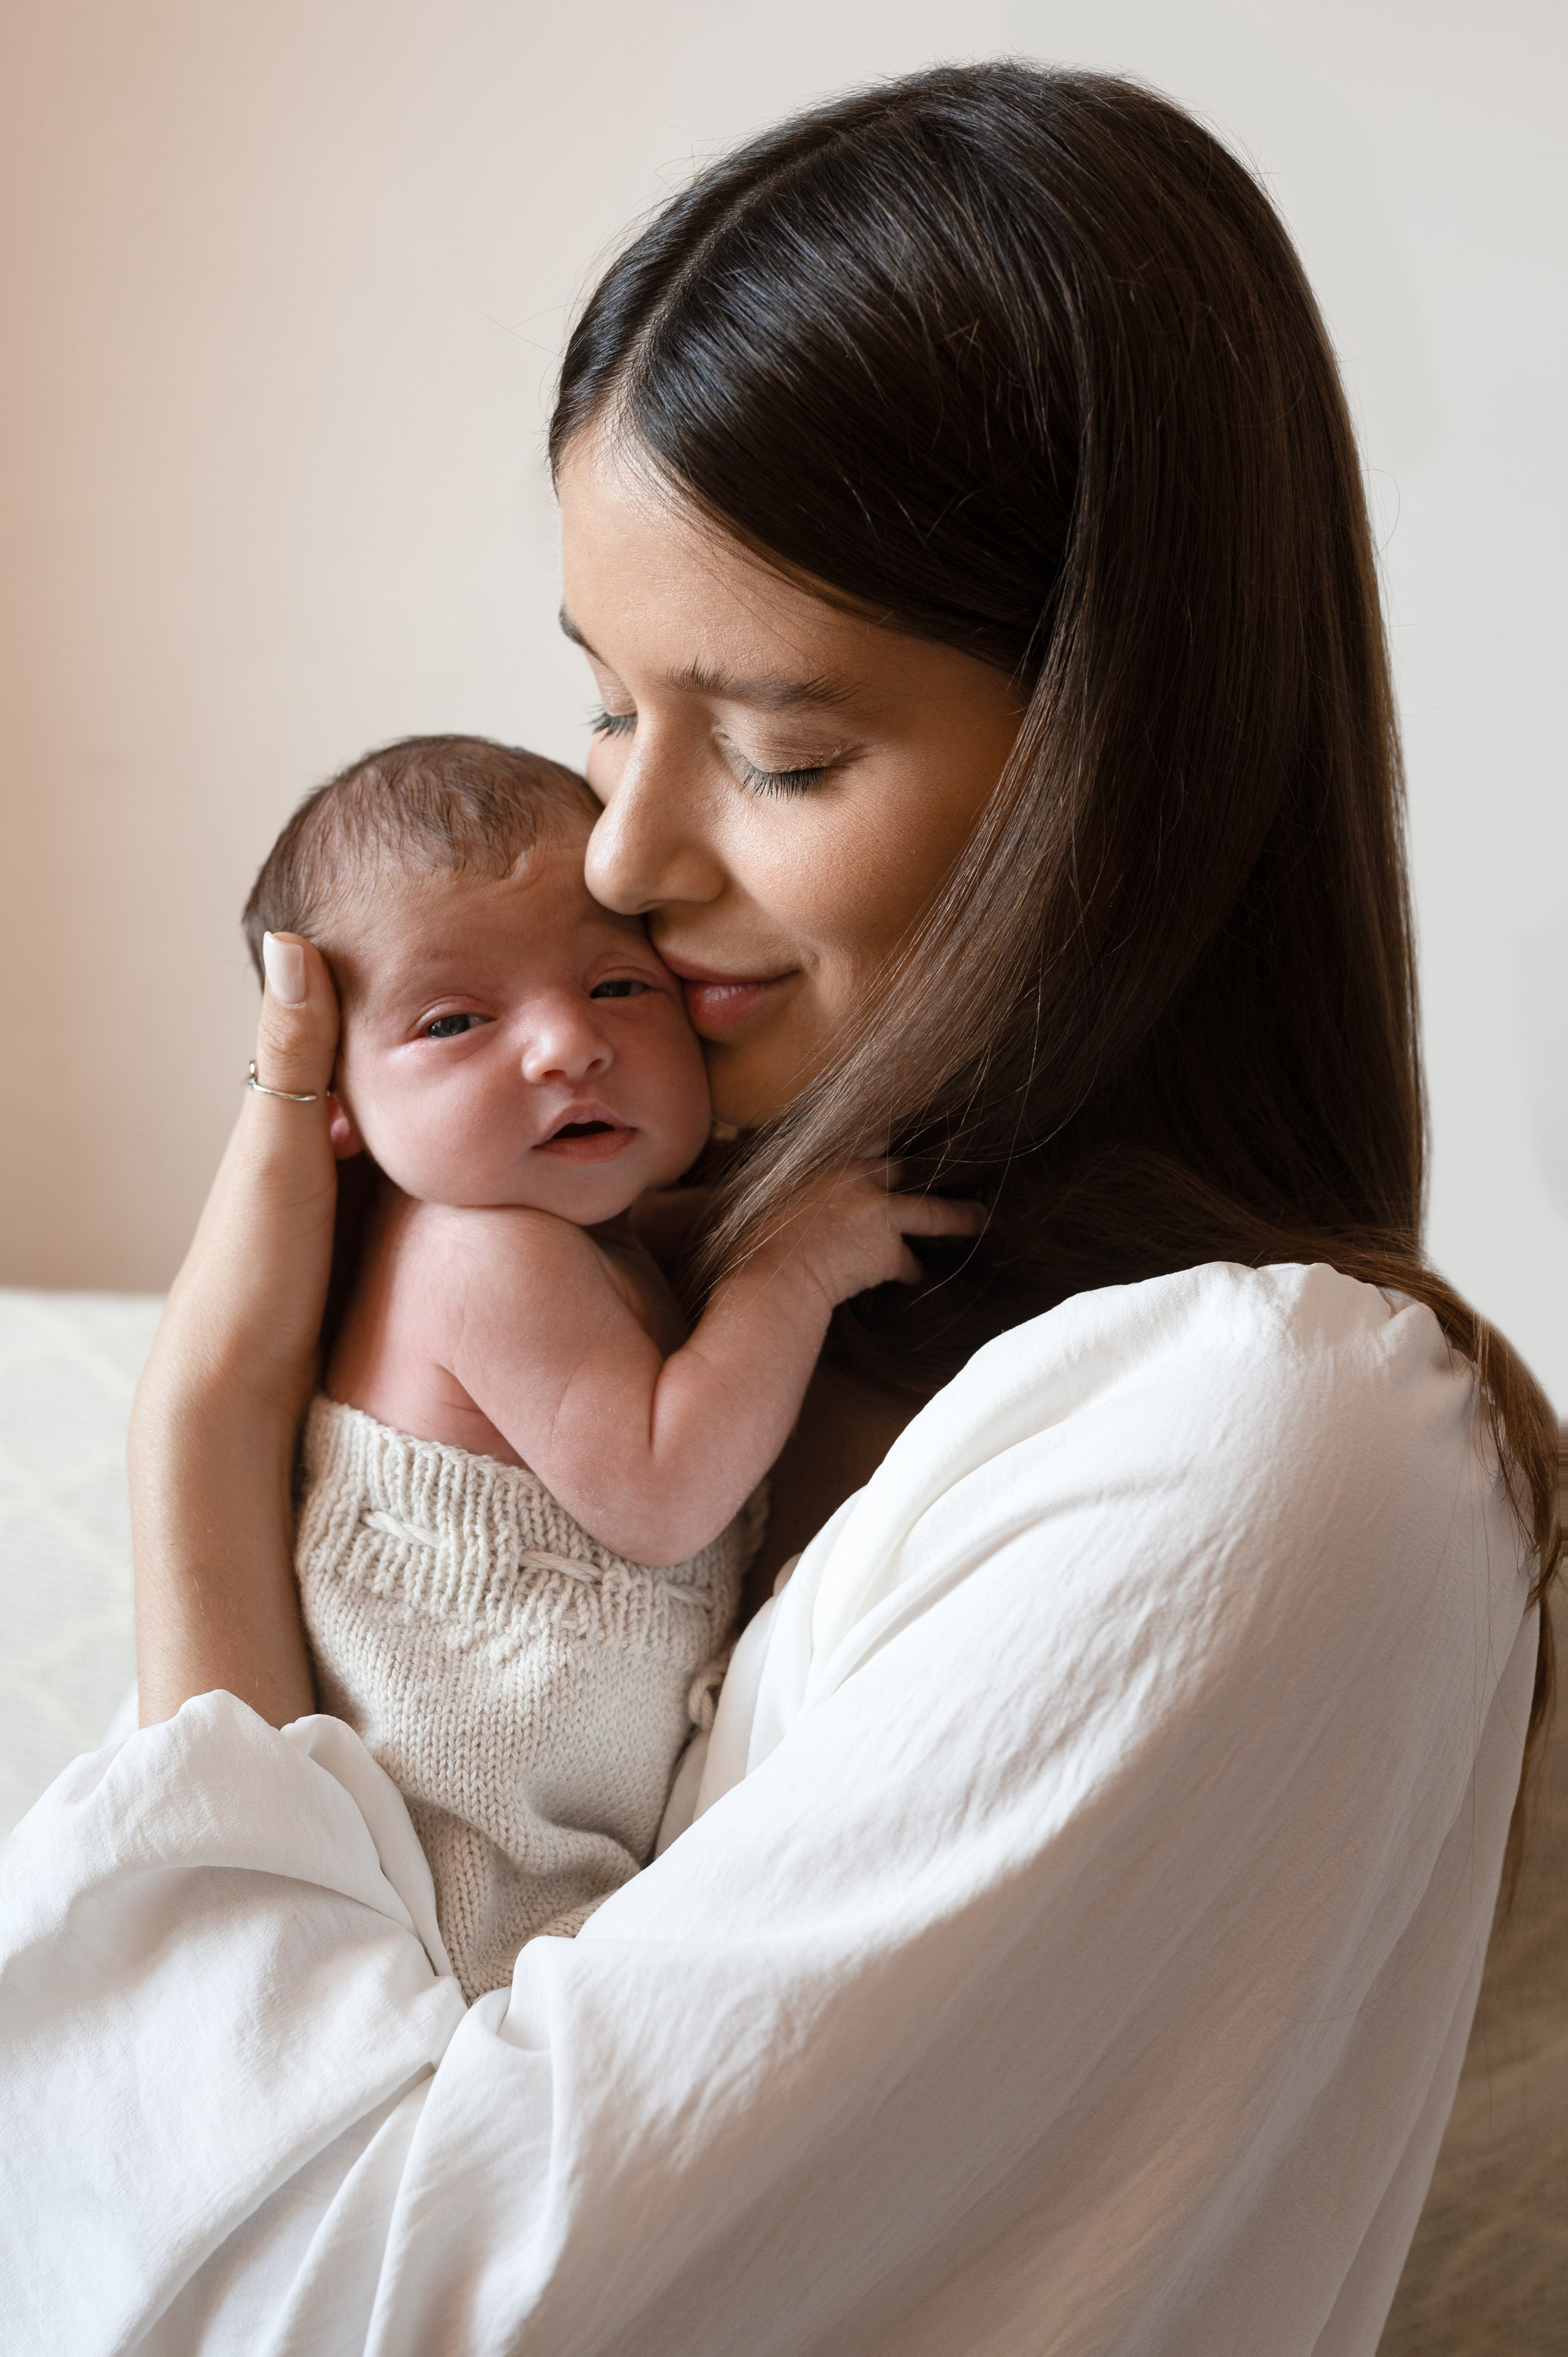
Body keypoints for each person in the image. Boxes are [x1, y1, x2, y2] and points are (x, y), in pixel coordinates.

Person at [0, 61, 1559, 2357]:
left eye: (781, 744)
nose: (620, 855)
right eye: (609, 706)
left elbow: (321, 2308)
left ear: (1122, 768)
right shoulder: (852, 1334)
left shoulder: (1269, 1445)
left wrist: (206, 1474)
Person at [243, 730, 975, 2000]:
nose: (562, 1047)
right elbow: (658, 1491)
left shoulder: (579, 1233)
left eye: (618, 989)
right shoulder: (479, 1253)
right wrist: (789, 1270)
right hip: (472, 1888)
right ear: (339, 1100)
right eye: (456, 1019)